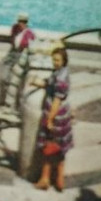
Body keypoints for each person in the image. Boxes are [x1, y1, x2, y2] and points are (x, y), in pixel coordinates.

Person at [33, 46, 74, 192]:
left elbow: (56, 100)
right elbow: (50, 84)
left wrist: (50, 119)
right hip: (63, 115)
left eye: (57, 60)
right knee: (60, 148)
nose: (55, 62)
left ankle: (45, 179)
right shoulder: (62, 73)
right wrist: (37, 83)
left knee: (48, 147)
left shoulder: (61, 78)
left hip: (55, 115)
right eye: (53, 59)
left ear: (64, 61)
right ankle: (59, 180)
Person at [0, 12, 35, 108]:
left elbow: (30, 48)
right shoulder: (14, 29)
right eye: (20, 21)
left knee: (19, 83)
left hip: (22, 56)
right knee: (4, 78)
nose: (21, 24)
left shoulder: (30, 34)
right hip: (12, 54)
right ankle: (1, 100)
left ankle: (17, 105)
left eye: (24, 22)